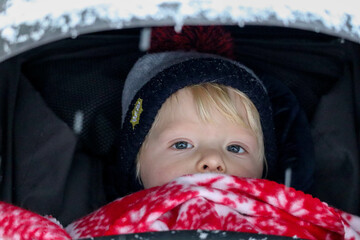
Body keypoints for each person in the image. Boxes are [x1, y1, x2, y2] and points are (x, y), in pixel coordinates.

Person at [115, 51, 277, 194]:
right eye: (181, 144)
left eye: (235, 148)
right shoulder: (113, 224)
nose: (213, 160)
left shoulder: (282, 223)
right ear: (136, 164)